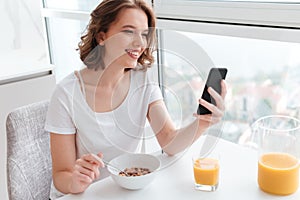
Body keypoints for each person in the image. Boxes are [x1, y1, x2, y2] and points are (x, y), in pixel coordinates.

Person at [45, 0, 227, 199]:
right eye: (129, 31)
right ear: (102, 36)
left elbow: (169, 142)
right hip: (84, 194)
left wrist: (202, 122)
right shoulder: (66, 93)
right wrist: (75, 181)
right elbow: (60, 176)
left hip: (125, 191)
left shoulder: (143, 80)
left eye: (144, 34)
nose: (140, 43)